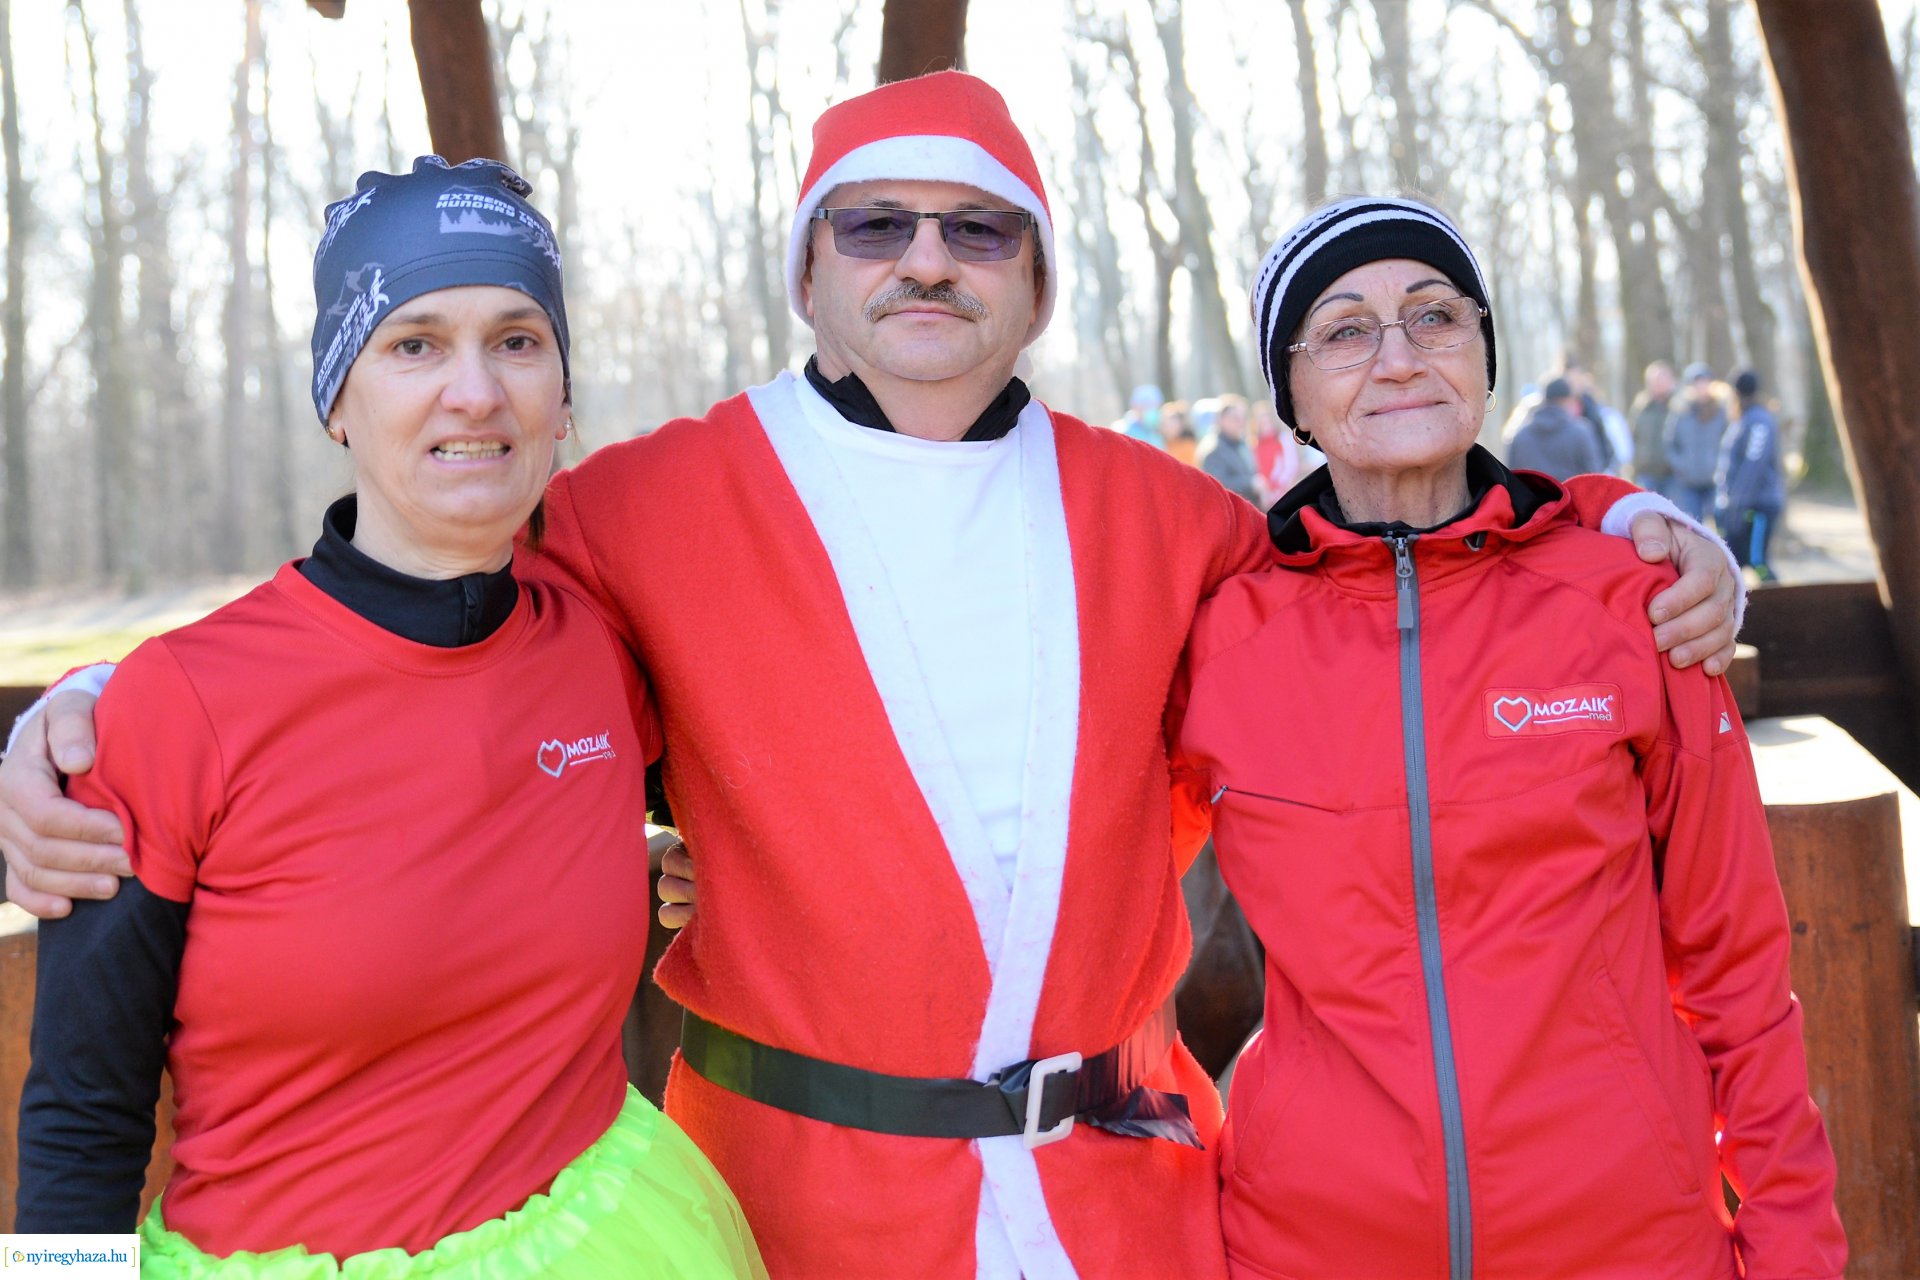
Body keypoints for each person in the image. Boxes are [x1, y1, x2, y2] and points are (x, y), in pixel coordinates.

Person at [2, 74, 1742, 1280]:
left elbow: (1401, 557)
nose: (928, 260)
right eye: (878, 228)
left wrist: (1628, 512)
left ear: (1038, 279)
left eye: (981, 232)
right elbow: (389, 608)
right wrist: (87, 727)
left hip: (1120, 1190)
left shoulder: (1179, 519)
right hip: (789, 1197)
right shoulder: (635, 510)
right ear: (810, 274)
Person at [11, 159, 765, 1278]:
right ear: (337, 396)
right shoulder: (177, 705)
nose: (475, 391)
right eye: (415, 344)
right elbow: (82, 1113)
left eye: (517, 340)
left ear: (563, 394)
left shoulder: (602, 648)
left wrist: (677, 855)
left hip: (614, 1231)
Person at [1170, 195, 1844, 1279]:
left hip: (1631, 1238)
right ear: (1288, 393)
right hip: (1312, 1243)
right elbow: (1098, 946)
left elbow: (1741, 969)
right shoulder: (1219, 638)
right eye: (1343, 330)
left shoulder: (1635, 600)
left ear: (1486, 353)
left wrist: (1793, 1247)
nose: (1398, 357)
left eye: (1436, 314)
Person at [1719, 367, 1786, 581]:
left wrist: (1738, 502)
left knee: (1758, 562)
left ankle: (1779, 601)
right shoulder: (1743, 420)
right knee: (1734, 561)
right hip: (1741, 504)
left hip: (1758, 506)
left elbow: (1754, 464)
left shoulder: (1759, 421)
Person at [1507, 375, 1604, 480]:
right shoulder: (1581, 432)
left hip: (1532, 495)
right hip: (1571, 495)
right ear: (1568, 400)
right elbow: (1594, 476)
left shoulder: (1521, 436)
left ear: (1544, 399)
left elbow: (1511, 477)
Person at [1666, 361, 1729, 522]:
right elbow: (1670, 443)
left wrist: (1720, 466)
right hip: (1689, 481)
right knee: (1692, 524)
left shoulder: (1721, 412)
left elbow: (1728, 442)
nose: (1701, 386)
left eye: (1705, 382)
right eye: (1697, 382)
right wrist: (1681, 466)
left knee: (1719, 523)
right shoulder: (1680, 412)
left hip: (1714, 480)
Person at [1197, 394, 1260, 502]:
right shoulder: (1213, 450)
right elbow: (1218, 485)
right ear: (1221, 419)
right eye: (1235, 418)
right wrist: (1250, 483)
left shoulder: (1241, 443)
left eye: (1243, 418)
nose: (1241, 423)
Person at [1629, 359, 1677, 494]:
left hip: (1673, 476)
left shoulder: (1679, 407)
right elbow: (1634, 438)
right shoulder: (1640, 408)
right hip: (1646, 473)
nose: (1658, 384)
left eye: (1662, 379)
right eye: (1654, 380)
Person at [1111, 382, 1162, 447]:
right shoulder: (1121, 430)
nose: (1150, 410)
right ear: (1135, 406)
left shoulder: (1157, 431)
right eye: (1146, 405)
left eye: (1154, 406)